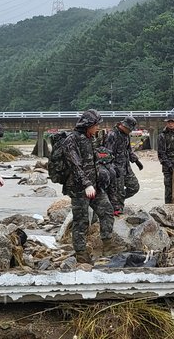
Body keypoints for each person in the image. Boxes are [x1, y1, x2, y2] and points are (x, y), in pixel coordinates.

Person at [62, 109, 116, 264]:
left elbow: (95, 162)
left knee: (107, 211)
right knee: (81, 221)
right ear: (88, 125)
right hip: (79, 188)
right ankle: (81, 253)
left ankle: (108, 244)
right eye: (96, 125)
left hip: (95, 186)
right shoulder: (72, 141)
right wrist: (86, 184)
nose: (98, 128)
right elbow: (75, 165)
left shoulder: (91, 139)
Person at [103, 116, 142, 215]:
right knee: (119, 191)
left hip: (126, 168)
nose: (129, 131)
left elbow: (128, 150)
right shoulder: (112, 135)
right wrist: (112, 169)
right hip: (116, 170)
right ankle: (117, 207)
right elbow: (107, 155)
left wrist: (136, 161)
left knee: (134, 187)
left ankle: (113, 198)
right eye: (128, 129)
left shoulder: (126, 135)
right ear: (122, 125)